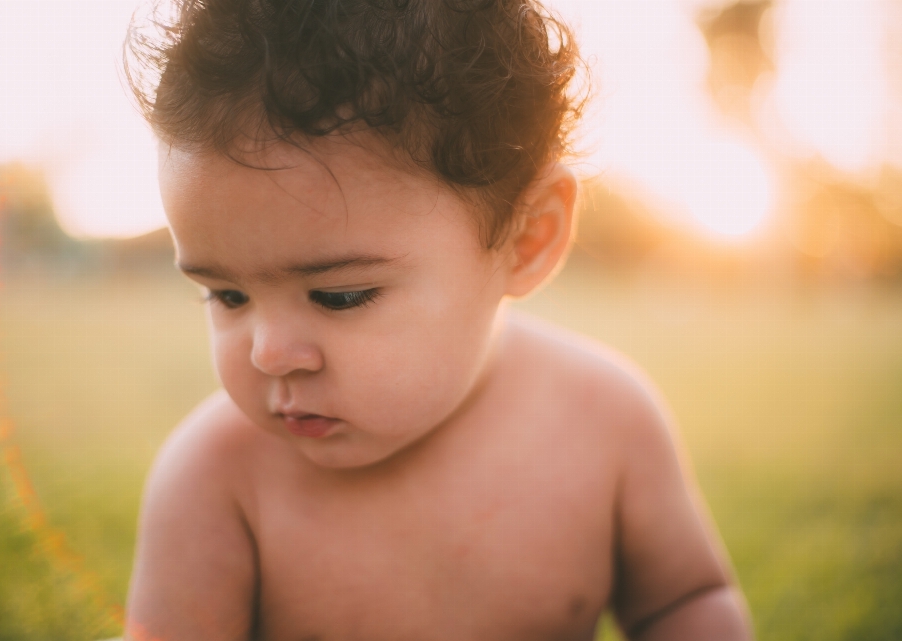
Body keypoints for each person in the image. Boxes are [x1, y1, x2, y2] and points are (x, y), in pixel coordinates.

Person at [122, 0, 752, 639]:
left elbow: (686, 600)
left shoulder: (605, 419)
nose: (270, 354)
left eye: (339, 296)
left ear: (527, 237)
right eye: (227, 296)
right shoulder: (216, 481)